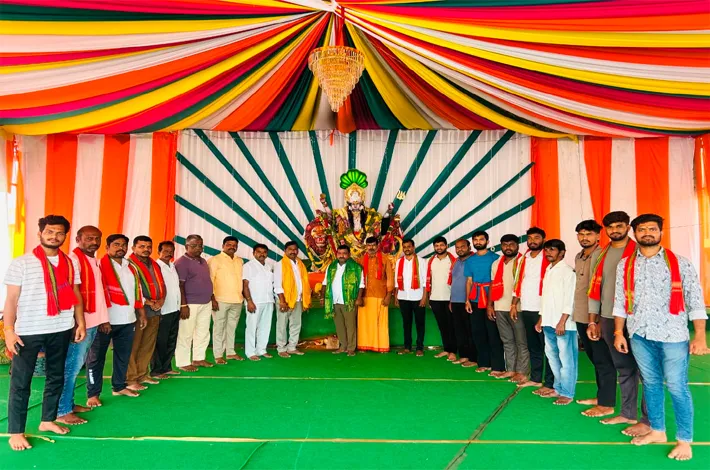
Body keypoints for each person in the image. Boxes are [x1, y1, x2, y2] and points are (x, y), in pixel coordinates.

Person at [612, 213, 708, 461]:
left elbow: (696, 300)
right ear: (634, 233)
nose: (647, 233)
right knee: (651, 384)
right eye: (642, 229)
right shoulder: (626, 265)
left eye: (652, 229)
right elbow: (620, 301)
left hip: (673, 336)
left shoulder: (680, 263)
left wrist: (700, 335)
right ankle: (657, 431)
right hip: (639, 334)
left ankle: (684, 440)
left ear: (661, 232)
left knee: (677, 387)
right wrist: (618, 332)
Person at [3, 215, 85, 451]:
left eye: (59, 233)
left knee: (56, 377)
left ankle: (47, 420)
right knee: (21, 382)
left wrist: (79, 322)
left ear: (65, 236)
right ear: (39, 234)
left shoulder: (71, 263)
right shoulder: (22, 263)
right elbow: (11, 299)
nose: (54, 236)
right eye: (49, 232)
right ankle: (16, 432)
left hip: (61, 328)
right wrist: (9, 331)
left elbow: (75, 294)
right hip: (28, 331)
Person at [588, 211, 649, 436]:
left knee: (647, 372)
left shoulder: (640, 252)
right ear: (605, 230)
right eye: (610, 227)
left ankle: (648, 420)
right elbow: (595, 290)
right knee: (624, 368)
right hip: (608, 317)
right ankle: (627, 413)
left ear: (627, 227)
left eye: (619, 226)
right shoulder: (600, 254)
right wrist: (593, 320)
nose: (615, 230)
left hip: (638, 319)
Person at [57, 226, 110, 426]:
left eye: (97, 238)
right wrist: (76, 323)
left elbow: (99, 293)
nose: (94, 242)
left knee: (76, 365)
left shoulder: (92, 260)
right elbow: (70, 294)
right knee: (71, 367)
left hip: (92, 322)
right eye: (89, 238)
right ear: (78, 239)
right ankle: (62, 411)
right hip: (81, 324)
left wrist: (103, 319)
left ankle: (68, 404)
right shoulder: (73, 260)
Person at [86, 234, 147, 406]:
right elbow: (96, 294)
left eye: (123, 245)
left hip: (128, 319)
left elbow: (137, 291)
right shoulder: (99, 266)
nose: (120, 248)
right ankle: (93, 394)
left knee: (123, 356)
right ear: (107, 247)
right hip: (104, 321)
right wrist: (103, 319)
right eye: (116, 244)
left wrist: (141, 313)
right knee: (96, 359)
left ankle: (119, 386)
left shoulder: (131, 266)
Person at [572, 220, 615, 418]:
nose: (584, 238)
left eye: (589, 234)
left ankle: (607, 404)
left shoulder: (602, 255)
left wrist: (597, 320)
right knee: (595, 359)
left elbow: (604, 289)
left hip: (596, 317)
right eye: (581, 234)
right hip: (581, 314)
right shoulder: (578, 256)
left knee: (603, 360)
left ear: (598, 236)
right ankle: (601, 397)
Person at [512, 227, 554, 394]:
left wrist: (546, 310)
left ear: (543, 239)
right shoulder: (524, 259)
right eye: (530, 238)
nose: (532, 241)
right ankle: (536, 379)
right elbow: (518, 282)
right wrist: (514, 305)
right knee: (533, 346)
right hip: (527, 307)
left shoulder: (549, 257)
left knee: (548, 348)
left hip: (544, 309)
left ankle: (550, 383)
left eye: (536, 237)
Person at [535, 239, 577, 405]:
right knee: (552, 358)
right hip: (548, 321)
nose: (548, 253)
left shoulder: (568, 271)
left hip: (563, 323)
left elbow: (570, 299)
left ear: (562, 252)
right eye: (546, 250)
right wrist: (541, 319)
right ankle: (558, 388)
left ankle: (567, 393)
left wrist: (562, 321)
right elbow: (546, 299)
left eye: (552, 250)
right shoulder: (549, 270)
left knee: (566, 360)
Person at [126, 236, 166, 391]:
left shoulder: (154, 264)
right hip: (138, 311)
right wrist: (148, 302)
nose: (146, 249)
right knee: (133, 346)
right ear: (133, 248)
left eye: (148, 247)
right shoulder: (129, 265)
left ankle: (143, 374)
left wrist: (161, 300)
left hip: (155, 310)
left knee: (148, 344)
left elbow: (161, 285)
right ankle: (130, 378)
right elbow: (131, 289)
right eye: (141, 246)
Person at [487, 234, 528, 383]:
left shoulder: (523, 262)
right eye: (505, 244)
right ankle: (510, 369)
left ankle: (522, 372)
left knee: (521, 341)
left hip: (518, 308)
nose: (508, 247)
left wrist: (515, 305)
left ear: (517, 245)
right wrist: (490, 305)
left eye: (511, 244)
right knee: (507, 340)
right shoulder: (496, 263)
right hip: (500, 306)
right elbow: (492, 285)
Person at [465, 231, 504, 376]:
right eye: (475, 240)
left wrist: (492, 303)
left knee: (493, 333)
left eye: (481, 239)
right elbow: (469, 281)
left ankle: (497, 365)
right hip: (475, 299)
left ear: (487, 241)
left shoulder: (496, 258)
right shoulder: (470, 260)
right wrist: (467, 300)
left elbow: (499, 281)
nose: (478, 242)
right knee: (478, 332)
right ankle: (483, 363)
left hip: (492, 300)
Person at [174, 234, 214, 371]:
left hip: (206, 302)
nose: (198, 248)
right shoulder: (181, 263)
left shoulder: (203, 261)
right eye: (194, 245)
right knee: (185, 333)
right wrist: (183, 305)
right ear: (186, 246)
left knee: (203, 332)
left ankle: (198, 358)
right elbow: (180, 285)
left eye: (200, 245)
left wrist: (212, 298)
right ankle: (183, 362)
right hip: (190, 304)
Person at [208, 236, 245, 364]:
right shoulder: (214, 260)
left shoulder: (239, 261)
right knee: (219, 328)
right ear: (223, 246)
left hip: (237, 300)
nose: (232, 247)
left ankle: (230, 352)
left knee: (232, 328)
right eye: (229, 244)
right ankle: (218, 355)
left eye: (234, 245)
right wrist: (212, 299)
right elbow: (210, 280)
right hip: (220, 300)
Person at [323, 245, 365, 356]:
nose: (342, 255)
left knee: (351, 325)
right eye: (339, 253)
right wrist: (323, 297)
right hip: (334, 301)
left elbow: (361, 285)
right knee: (339, 325)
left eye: (344, 253)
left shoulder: (356, 267)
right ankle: (343, 346)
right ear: (336, 254)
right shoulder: (331, 267)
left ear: (349, 254)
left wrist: (359, 298)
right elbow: (325, 283)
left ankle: (351, 348)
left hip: (349, 301)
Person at [273, 241, 311, 358]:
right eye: (290, 249)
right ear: (285, 251)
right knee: (282, 325)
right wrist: (282, 301)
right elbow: (277, 284)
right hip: (284, 300)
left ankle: (292, 347)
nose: (293, 251)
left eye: (295, 249)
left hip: (297, 299)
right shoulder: (280, 264)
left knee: (296, 324)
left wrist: (305, 299)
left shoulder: (300, 264)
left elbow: (303, 282)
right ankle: (281, 348)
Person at [151, 241, 182, 378]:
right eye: (165, 251)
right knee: (160, 342)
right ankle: (156, 370)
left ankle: (167, 367)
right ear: (159, 252)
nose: (168, 253)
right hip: (163, 310)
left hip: (174, 308)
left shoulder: (172, 266)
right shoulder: (155, 267)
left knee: (171, 340)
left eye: (171, 251)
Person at [358, 237, 394, 353]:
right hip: (364, 296)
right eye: (369, 245)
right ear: (366, 247)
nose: (371, 247)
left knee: (380, 323)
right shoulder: (360, 260)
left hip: (380, 296)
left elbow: (390, 278)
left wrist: (388, 296)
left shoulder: (385, 259)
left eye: (373, 245)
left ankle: (381, 346)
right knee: (365, 323)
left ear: (378, 246)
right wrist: (358, 297)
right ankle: (364, 345)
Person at [394, 239, 428, 356]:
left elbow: (425, 281)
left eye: (409, 246)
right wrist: (396, 296)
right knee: (406, 323)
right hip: (403, 296)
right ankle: (407, 347)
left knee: (420, 323)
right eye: (404, 247)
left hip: (418, 296)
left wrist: (424, 297)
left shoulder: (422, 261)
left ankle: (419, 347)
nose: (407, 249)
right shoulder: (399, 262)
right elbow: (396, 281)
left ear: (413, 247)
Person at [242, 244, 275, 361]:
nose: (262, 254)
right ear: (254, 253)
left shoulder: (269, 266)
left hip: (268, 300)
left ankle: (261, 350)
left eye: (264, 252)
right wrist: (249, 301)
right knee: (251, 327)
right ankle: (250, 352)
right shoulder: (248, 266)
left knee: (265, 326)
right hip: (255, 301)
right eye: (259, 252)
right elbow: (245, 285)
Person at [426, 236, 456, 360]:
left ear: (446, 246)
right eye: (436, 246)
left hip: (450, 298)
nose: (439, 248)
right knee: (442, 326)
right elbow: (429, 280)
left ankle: (453, 351)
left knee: (451, 326)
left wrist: (453, 298)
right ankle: (446, 349)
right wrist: (428, 297)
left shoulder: (453, 260)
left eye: (441, 245)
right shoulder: (431, 261)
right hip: (435, 298)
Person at [449, 239, 476, 367]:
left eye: (462, 247)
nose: (460, 249)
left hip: (468, 302)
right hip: (455, 301)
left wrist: (468, 300)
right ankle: (464, 355)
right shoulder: (456, 262)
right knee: (459, 330)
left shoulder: (473, 260)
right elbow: (454, 281)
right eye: (457, 247)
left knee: (470, 330)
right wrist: (451, 300)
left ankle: (473, 358)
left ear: (469, 247)